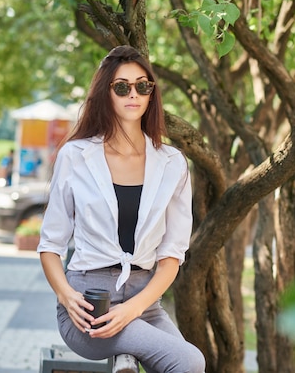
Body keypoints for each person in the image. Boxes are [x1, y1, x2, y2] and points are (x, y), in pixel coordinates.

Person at [38, 45, 205, 373]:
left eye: (142, 86)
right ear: (106, 93)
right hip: (89, 305)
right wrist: (65, 295)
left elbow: (172, 256)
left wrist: (134, 308)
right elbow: (50, 245)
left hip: (146, 304)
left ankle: (127, 351)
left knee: (189, 367)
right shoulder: (76, 156)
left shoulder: (172, 163)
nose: (134, 94)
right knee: (188, 359)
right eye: (121, 86)